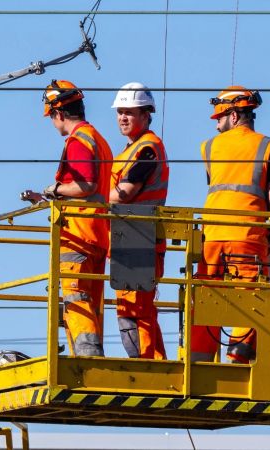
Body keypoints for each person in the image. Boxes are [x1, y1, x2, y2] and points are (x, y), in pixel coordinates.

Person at [190, 86, 270, 364]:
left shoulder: (208, 147)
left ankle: (199, 361)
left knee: (208, 293)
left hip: (211, 235)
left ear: (233, 115)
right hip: (248, 234)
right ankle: (238, 357)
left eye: (219, 117)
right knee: (250, 295)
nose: (217, 124)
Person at [22, 80, 114, 357]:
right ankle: (86, 356)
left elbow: (85, 186)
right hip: (98, 234)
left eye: (51, 117)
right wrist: (47, 198)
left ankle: (87, 362)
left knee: (75, 298)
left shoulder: (78, 141)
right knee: (90, 302)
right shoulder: (99, 140)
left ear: (58, 113)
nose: (52, 123)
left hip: (78, 235)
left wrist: (54, 190)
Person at [108, 82, 169, 360]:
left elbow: (126, 192)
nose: (123, 117)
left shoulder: (148, 149)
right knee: (134, 309)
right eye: (120, 112)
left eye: (129, 112)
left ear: (146, 115)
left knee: (136, 310)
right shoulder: (129, 151)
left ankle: (149, 366)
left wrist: (90, 199)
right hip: (128, 238)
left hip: (139, 238)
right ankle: (154, 363)